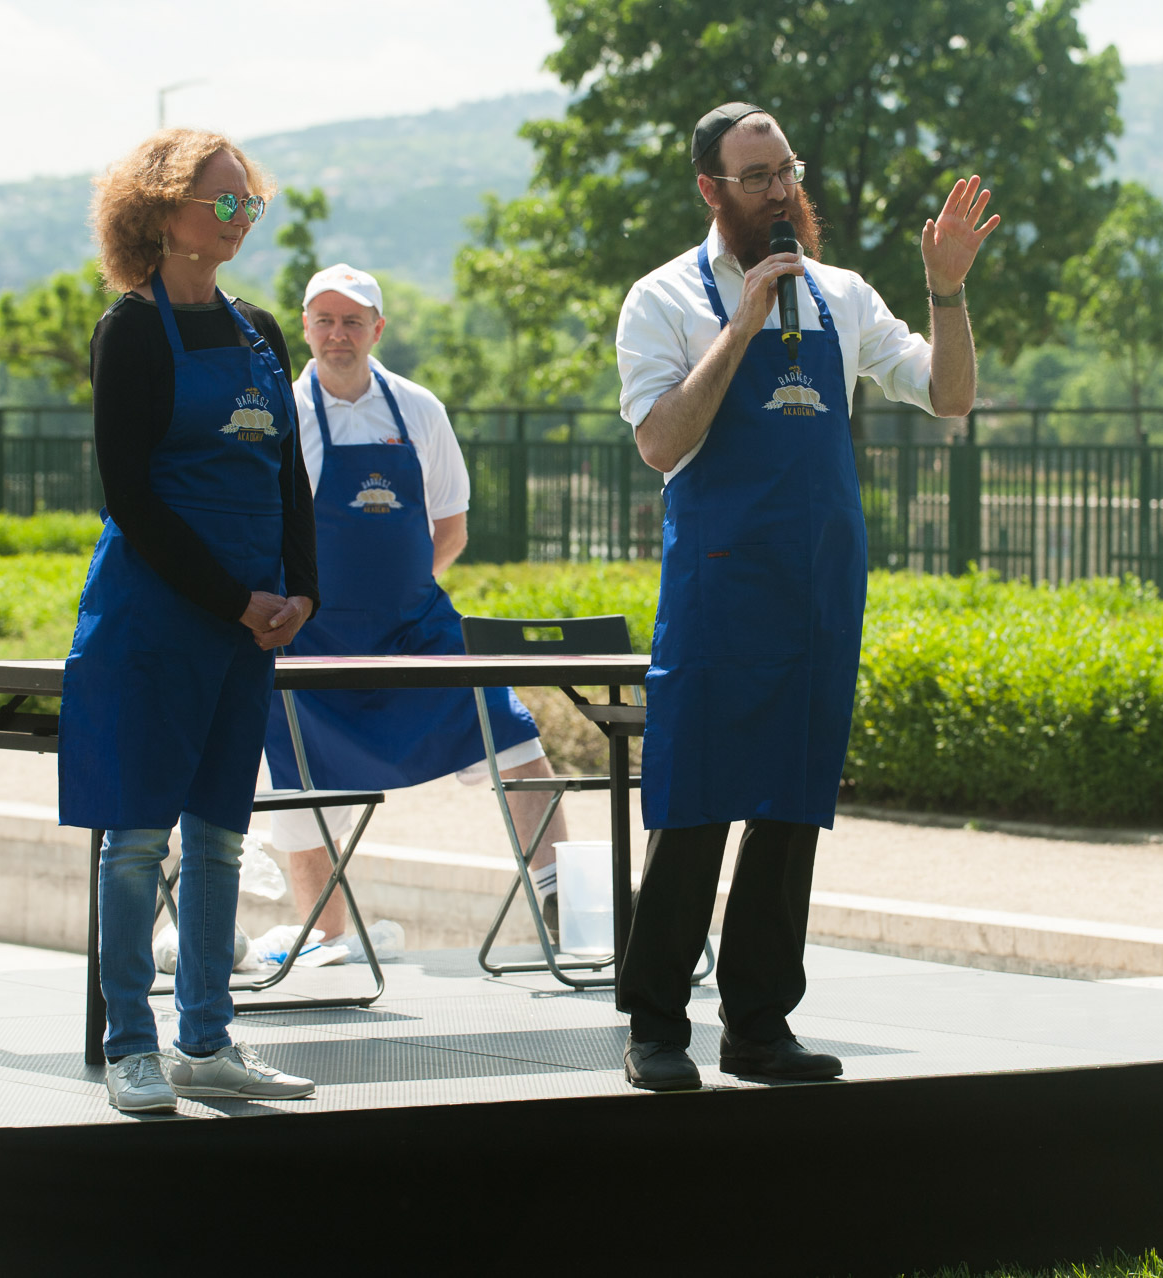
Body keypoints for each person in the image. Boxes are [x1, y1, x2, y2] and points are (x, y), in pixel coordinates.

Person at [612, 103, 998, 1091]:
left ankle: (760, 1026)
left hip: (817, 593)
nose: (782, 190)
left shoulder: (841, 295)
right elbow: (661, 443)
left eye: (787, 170)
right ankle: (656, 1027)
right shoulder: (661, 301)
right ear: (711, 190)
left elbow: (946, 396)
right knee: (693, 807)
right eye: (757, 176)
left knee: (790, 809)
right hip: (716, 591)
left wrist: (946, 294)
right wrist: (741, 326)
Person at [60, 128, 321, 1114]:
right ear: (162, 210)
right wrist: (233, 598)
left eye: (247, 202)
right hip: (154, 621)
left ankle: (206, 1043)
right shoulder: (129, 330)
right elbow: (131, 494)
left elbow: (286, 475)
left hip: (247, 626)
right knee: (135, 841)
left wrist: (303, 590)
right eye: (222, 201)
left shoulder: (260, 330)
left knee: (218, 837)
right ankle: (132, 1044)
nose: (240, 217)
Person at [260, 265, 568, 956]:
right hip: (314, 641)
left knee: (514, 740)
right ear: (304, 327)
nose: (338, 334)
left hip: (415, 633)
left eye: (353, 320)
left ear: (378, 328)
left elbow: (451, 529)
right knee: (299, 788)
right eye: (324, 320)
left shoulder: (418, 408)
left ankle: (566, 905)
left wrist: (396, 593)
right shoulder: (282, 413)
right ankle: (326, 936)